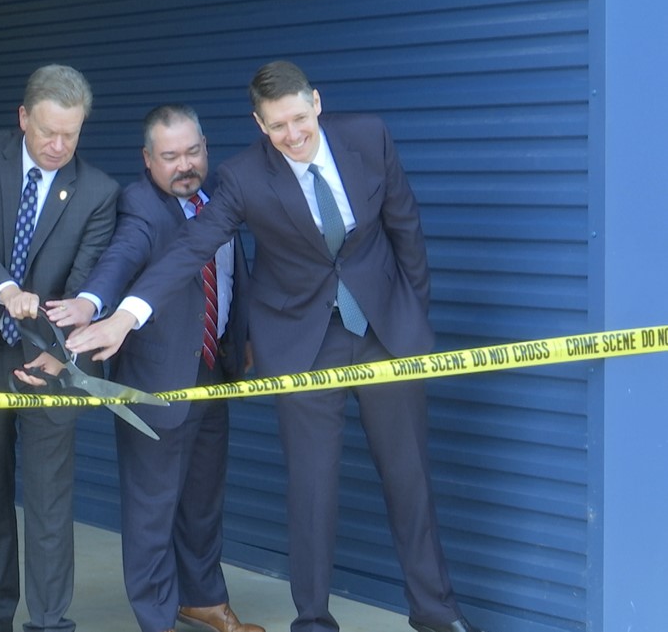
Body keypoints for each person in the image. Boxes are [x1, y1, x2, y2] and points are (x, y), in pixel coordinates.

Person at [65, 61, 485, 632]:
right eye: (277, 125)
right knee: (312, 490)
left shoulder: (368, 137)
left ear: (316, 101)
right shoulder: (242, 178)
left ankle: (436, 612)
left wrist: (413, 318)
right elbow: (191, 248)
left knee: (410, 477)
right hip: (304, 345)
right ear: (259, 124)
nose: (292, 134)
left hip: (386, 336)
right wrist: (125, 318)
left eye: (298, 118)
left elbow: (405, 229)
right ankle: (312, 619)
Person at [39, 104, 261, 632]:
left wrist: (243, 340)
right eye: (170, 157)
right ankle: (156, 618)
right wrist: (94, 304)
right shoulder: (140, 205)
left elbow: (231, 280)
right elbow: (120, 258)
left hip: (212, 371)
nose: (184, 165)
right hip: (154, 383)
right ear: (147, 159)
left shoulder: (219, 201)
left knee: (204, 501)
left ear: (206, 146)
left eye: (193, 151)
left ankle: (203, 598)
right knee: (152, 511)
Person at [0, 64, 119, 632]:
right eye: (47, 132)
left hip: (50, 360)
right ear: (23, 118)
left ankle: (50, 621)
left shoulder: (100, 191)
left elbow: (85, 282)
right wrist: (6, 290)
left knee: (50, 500)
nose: (59, 146)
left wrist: (64, 352)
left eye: (72, 134)